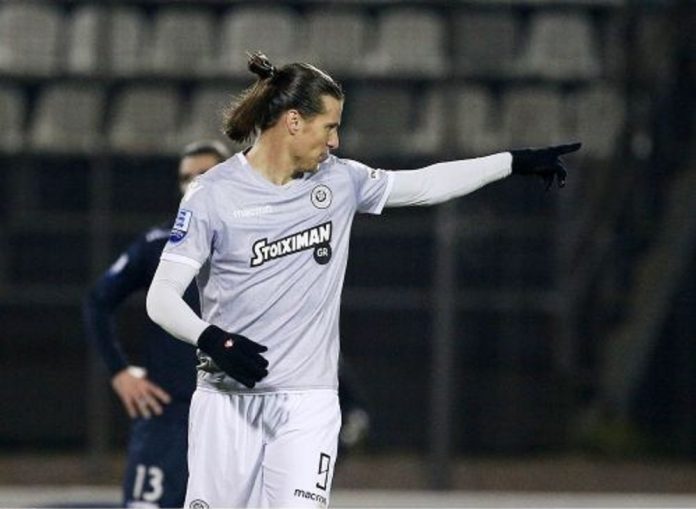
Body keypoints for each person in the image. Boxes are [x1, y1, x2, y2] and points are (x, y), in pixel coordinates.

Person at [146, 52, 581, 508]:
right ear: (293, 121)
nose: (335, 142)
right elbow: (162, 297)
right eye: (329, 127)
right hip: (226, 402)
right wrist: (213, 340)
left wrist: (512, 162)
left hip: (308, 404)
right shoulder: (212, 194)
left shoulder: (340, 181)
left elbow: (426, 184)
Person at [83, 140, 231, 508]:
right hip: (169, 416)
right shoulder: (158, 244)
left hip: (234, 416)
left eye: (204, 175)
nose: (193, 185)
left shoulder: (261, 244)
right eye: (186, 177)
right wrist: (120, 372)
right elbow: (98, 301)